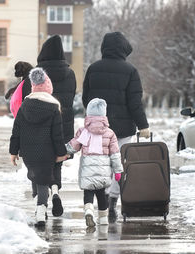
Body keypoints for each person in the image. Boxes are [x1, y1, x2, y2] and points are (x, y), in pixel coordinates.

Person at [82, 31, 150, 222]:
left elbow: (86, 98)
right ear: (123, 49)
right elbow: (135, 103)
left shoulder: (93, 69)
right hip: (122, 130)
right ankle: (112, 201)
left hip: (98, 129)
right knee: (118, 166)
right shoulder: (131, 71)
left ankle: (102, 198)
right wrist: (143, 125)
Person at [22, 35, 76, 216]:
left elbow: (25, 99)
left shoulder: (36, 74)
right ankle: (55, 191)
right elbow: (71, 98)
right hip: (63, 126)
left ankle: (41, 203)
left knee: (39, 165)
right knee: (56, 164)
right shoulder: (70, 74)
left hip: (38, 129)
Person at [9, 67, 68, 226]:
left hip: (28, 151)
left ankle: (39, 205)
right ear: (49, 89)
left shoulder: (24, 106)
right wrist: (61, 152)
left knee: (35, 175)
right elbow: (57, 134)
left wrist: (13, 152)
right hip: (46, 151)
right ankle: (41, 210)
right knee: (43, 181)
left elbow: (17, 131)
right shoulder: (54, 107)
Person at [66, 98, 123, 227]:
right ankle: (103, 220)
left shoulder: (83, 131)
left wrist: (62, 150)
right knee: (102, 194)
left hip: (87, 170)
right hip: (103, 171)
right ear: (104, 114)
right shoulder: (110, 133)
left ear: (88, 114)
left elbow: (73, 146)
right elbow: (115, 154)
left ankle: (89, 211)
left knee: (88, 193)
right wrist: (118, 171)